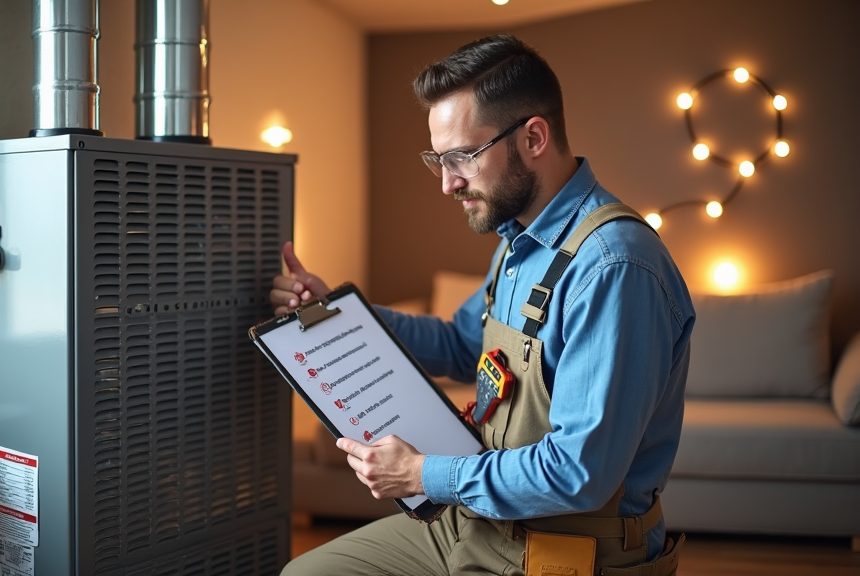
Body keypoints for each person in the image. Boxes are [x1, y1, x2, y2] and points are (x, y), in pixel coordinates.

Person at [272, 34, 694, 576]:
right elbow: (459, 342)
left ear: (534, 137)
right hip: (481, 517)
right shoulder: (517, 242)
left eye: (461, 158)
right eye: (437, 159)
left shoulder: (614, 268)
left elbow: (578, 475)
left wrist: (425, 475)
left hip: (568, 547)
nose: (447, 184)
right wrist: (338, 311)